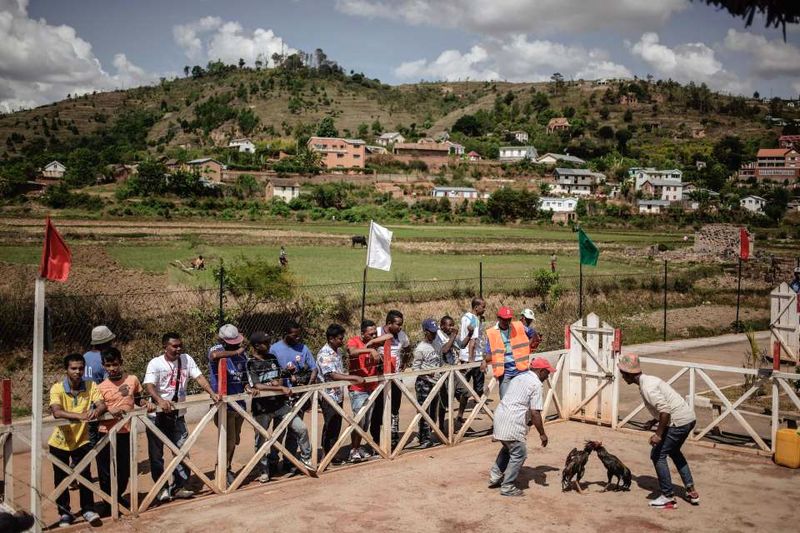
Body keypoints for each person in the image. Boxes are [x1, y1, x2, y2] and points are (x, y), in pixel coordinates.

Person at [143, 332, 220, 502]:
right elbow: (149, 385)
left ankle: (180, 486)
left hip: (178, 415)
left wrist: (212, 393)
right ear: (165, 347)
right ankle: (161, 488)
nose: (179, 349)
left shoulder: (186, 359)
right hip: (157, 416)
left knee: (182, 451)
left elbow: (199, 377)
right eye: (174, 346)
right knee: (156, 455)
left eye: (180, 345)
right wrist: (160, 400)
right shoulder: (155, 363)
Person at [617, 353, 700, 509]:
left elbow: (665, 411)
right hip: (688, 418)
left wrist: (658, 434)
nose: (622, 377)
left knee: (657, 455)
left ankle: (668, 496)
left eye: (623, 374)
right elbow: (664, 406)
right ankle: (691, 490)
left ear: (629, 374)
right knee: (674, 452)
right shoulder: (649, 380)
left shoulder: (647, 387)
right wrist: (654, 421)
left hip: (678, 422)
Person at [245, 331, 312, 482]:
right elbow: (256, 384)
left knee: (301, 428)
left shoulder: (272, 358)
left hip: (279, 405)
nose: (269, 346)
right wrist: (278, 388)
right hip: (262, 409)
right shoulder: (250, 363)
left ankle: (306, 459)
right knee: (261, 441)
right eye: (266, 343)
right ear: (256, 346)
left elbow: (279, 378)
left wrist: (279, 384)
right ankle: (263, 470)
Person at [49, 353, 106, 527]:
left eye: (81, 368)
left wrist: (97, 411)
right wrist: (80, 415)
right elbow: (56, 411)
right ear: (66, 369)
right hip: (60, 442)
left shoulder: (90, 385)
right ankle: (65, 513)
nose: (78, 371)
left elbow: (102, 404)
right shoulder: (57, 388)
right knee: (61, 478)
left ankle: (88, 509)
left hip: (82, 440)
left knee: (85, 476)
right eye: (73, 368)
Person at [96, 347, 153, 514]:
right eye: (108, 365)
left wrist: (146, 404)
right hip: (105, 432)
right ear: (103, 366)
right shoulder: (99, 387)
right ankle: (107, 502)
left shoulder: (132, 379)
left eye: (115, 364)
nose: (112, 368)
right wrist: (107, 410)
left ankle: (118, 495)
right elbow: (98, 408)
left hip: (126, 432)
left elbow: (138, 399)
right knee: (105, 470)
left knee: (125, 469)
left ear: (121, 363)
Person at [488, 357, 554, 497]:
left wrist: (528, 420)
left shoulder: (520, 376)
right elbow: (535, 412)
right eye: (547, 373)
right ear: (541, 371)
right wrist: (542, 434)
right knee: (519, 453)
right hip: (512, 420)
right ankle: (507, 486)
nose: (548, 376)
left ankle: (495, 476)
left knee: (508, 448)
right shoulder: (536, 384)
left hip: (501, 415)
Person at [269, 321, 317, 472]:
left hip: (299, 396)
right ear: (286, 333)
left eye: (298, 335)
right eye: (294, 335)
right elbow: (271, 372)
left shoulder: (303, 348)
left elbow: (314, 368)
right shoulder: (275, 349)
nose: (297, 338)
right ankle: (273, 460)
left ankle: (289, 460)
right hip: (281, 398)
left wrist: (306, 385)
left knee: (295, 431)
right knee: (279, 430)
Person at [316, 324, 365, 458]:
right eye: (339, 338)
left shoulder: (337, 351)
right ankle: (327, 455)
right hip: (328, 396)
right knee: (330, 424)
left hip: (337, 395)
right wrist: (352, 377)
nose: (341, 341)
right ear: (331, 339)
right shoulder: (324, 354)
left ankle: (333, 454)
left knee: (337, 425)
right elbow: (332, 374)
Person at [207, 324, 248, 485]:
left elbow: (244, 376)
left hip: (240, 404)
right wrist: (235, 352)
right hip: (224, 405)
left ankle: (226, 466)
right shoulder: (216, 349)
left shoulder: (242, 355)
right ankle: (224, 469)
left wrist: (247, 387)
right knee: (228, 441)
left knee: (235, 439)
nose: (235, 345)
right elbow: (214, 356)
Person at [346, 319, 384, 462]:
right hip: (358, 388)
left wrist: (373, 344)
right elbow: (352, 352)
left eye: (375, 333)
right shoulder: (354, 341)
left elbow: (389, 337)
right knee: (359, 420)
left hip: (372, 386)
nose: (374, 336)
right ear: (362, 333)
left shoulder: (374, 341)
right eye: (370, 334)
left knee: (366, 421)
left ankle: (358, 446)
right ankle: (353, 449)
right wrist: (370, 349)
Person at [373, 310, 410, 448]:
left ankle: (393, 438)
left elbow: (407, 348)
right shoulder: (377, 332)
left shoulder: (402, 335)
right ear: (389, 323)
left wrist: (404, 364)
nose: (400, 327)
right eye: (398, 324)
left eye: (401, 324)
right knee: (378, 409)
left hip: (396, 378)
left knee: (395, 408)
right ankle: (376, 440)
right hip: (379, 378)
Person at [483, 306, 531, 399]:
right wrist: (484, 360)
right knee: (505, 401)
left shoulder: (518, 326)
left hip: (520, 371)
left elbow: (533, 335)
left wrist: (528, 348)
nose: (507, 322)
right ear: (498, 318)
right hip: (506, 373)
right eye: (504, 319)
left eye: (509, 319)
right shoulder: (492, 333)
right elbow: (488, 352)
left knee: (523, 399)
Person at [412, 319, 447, 448]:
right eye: (431, 332)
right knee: (423, 411)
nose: (434, 335)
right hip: (424, 383)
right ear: (426, 332)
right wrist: (426, 373)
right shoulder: (420, 348)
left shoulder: (437, 344)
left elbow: (440, 360)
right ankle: (424, 438)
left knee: (433, 411)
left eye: (435, 332)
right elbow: (415, 368)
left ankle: (430, 434)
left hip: (436, 382)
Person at [83, 325, 114, 448]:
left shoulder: (85, 356)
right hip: (100, 404)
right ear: (105, 342)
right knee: (103, 439)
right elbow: (108, 384)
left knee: (89, 437)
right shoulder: (104, 359)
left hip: (85, 403)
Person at [457, 298, 486, 422]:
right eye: (483, 307)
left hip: (464, 356)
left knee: (464, 388)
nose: (484, 309)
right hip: (474, 358)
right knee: (478, 387)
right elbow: (472, 342)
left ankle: (460, 414)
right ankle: (477, 408)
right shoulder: (475, 320)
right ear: (476, 307)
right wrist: (471, 359)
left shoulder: (465, 317)